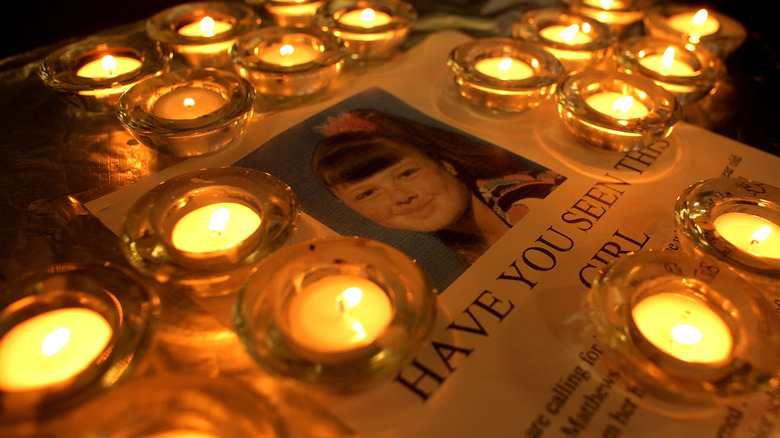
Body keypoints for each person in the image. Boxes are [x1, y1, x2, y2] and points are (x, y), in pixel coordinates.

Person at [311, 109, 566, 266]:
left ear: (445, 164)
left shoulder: (523, 199)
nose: (402, 197)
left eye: (407, 173)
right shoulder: (466, 245)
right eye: (367, 193)